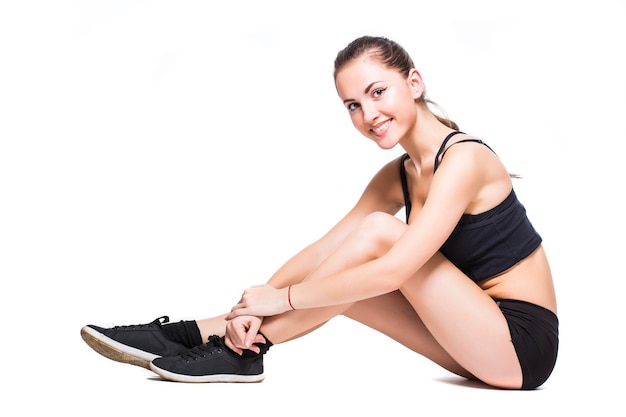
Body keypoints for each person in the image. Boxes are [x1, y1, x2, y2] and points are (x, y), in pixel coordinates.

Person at [81, 35, 558, 390]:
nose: (367, 115)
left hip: (519, 345)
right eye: (352, 104)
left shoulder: (465, 159)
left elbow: (394, 266)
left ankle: (234, 348)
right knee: (343, 276)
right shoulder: (400, 174)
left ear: (413, 83)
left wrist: (284, 299)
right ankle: (212, 337)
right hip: (469, 344)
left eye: (377, 92)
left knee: (376, 238)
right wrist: (254, 303)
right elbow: (326, 249)